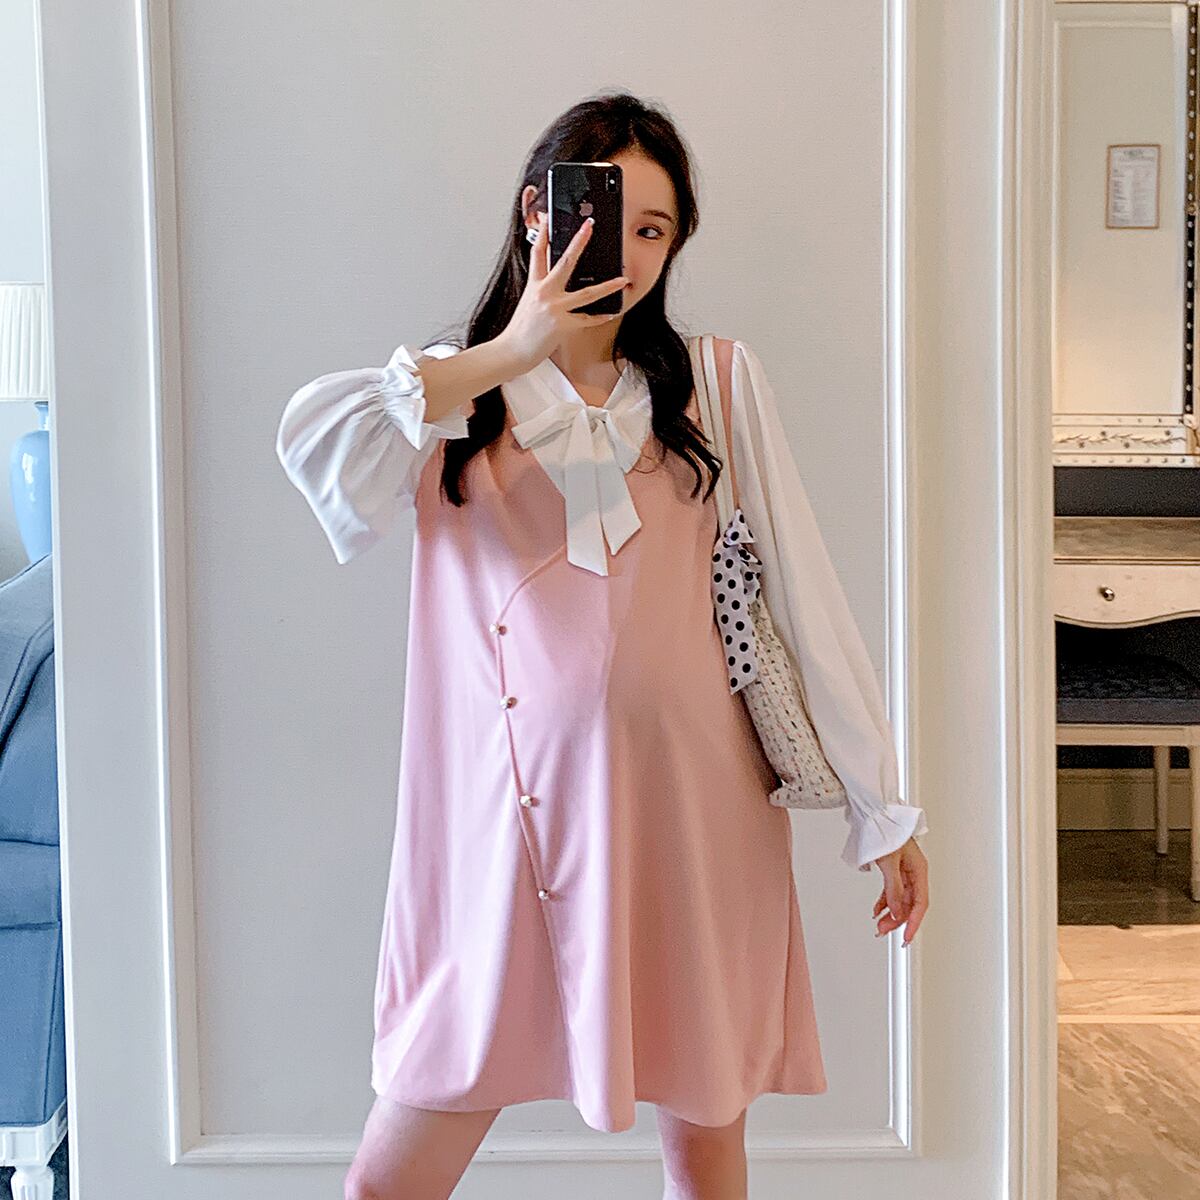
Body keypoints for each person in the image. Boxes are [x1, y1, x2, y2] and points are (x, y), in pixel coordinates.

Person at [276, 90, 930, 1200]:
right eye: (606, 214)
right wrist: (511, 349)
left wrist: (884, 809)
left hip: (694, 823)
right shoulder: (450, 391)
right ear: (541, 212)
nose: (627, 251)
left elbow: (808, 597)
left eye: (655, 229)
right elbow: (317, 449)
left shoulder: (715, 382)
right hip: (502, 833)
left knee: (703, 1162)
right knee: (388, 1181)